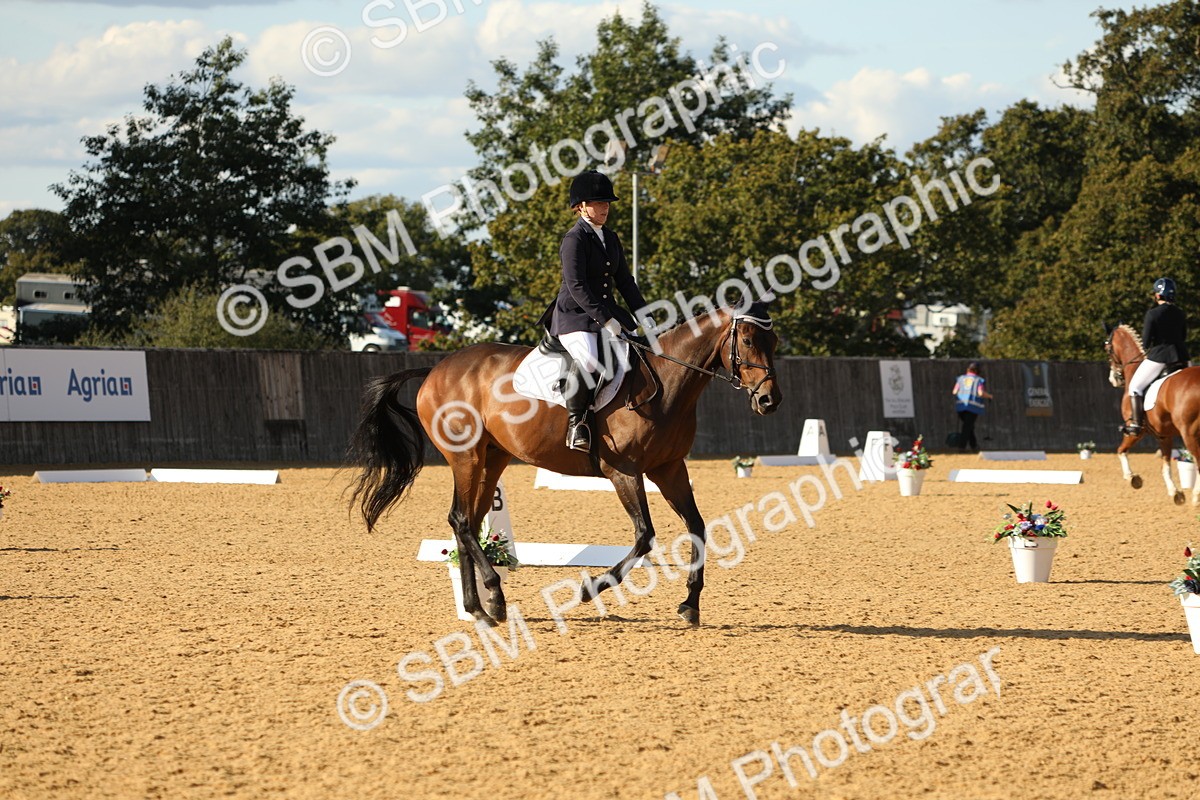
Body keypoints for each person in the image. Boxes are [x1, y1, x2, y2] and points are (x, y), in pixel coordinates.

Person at [539, 169, 648, 452]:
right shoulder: (574, 239)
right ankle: (577, 424)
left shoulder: (610, 238)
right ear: (582, 206)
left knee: (638, 353)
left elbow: (625, 281)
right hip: (575, 316)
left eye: (607, 203)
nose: (605, 208)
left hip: (606, 312)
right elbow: (577, 286)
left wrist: (644, 314)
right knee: (588, 359)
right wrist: (607, 319)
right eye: (599, 203)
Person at [1121, 277, 1189, 436]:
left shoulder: (1152, 314)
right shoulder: (1180, 313)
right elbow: (1183, 336)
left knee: (1135, 387)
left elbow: (1145, 341)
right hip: (1182, 356)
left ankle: (1136, 425)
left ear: (1158, 295)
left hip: (1160, 357)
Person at [952, 361, 993, 451]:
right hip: (972, 407)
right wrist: (989, 396)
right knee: (967, 427)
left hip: (960, 406)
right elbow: (981, 393)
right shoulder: (978, 380)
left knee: (969, 426)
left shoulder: (960, 379)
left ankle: (974, 446)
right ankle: (962, 447)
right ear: (978, 371)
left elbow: (954, 391)